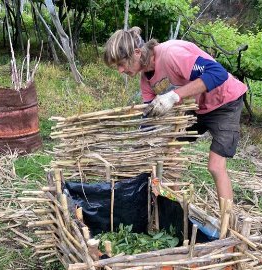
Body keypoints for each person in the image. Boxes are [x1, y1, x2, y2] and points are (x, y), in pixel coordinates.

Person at [103, 27, 247, 206]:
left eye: (121, 63)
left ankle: (228, 222)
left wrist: (174, 96)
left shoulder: (171, 55)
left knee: (215, 166)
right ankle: (174, 207)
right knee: (170, 154)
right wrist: (139, 147)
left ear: (137, 53)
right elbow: (150, 119)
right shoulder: (146, 80)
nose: (120, 70)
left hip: (225, 102)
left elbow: (218, 74)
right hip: (197, 106)